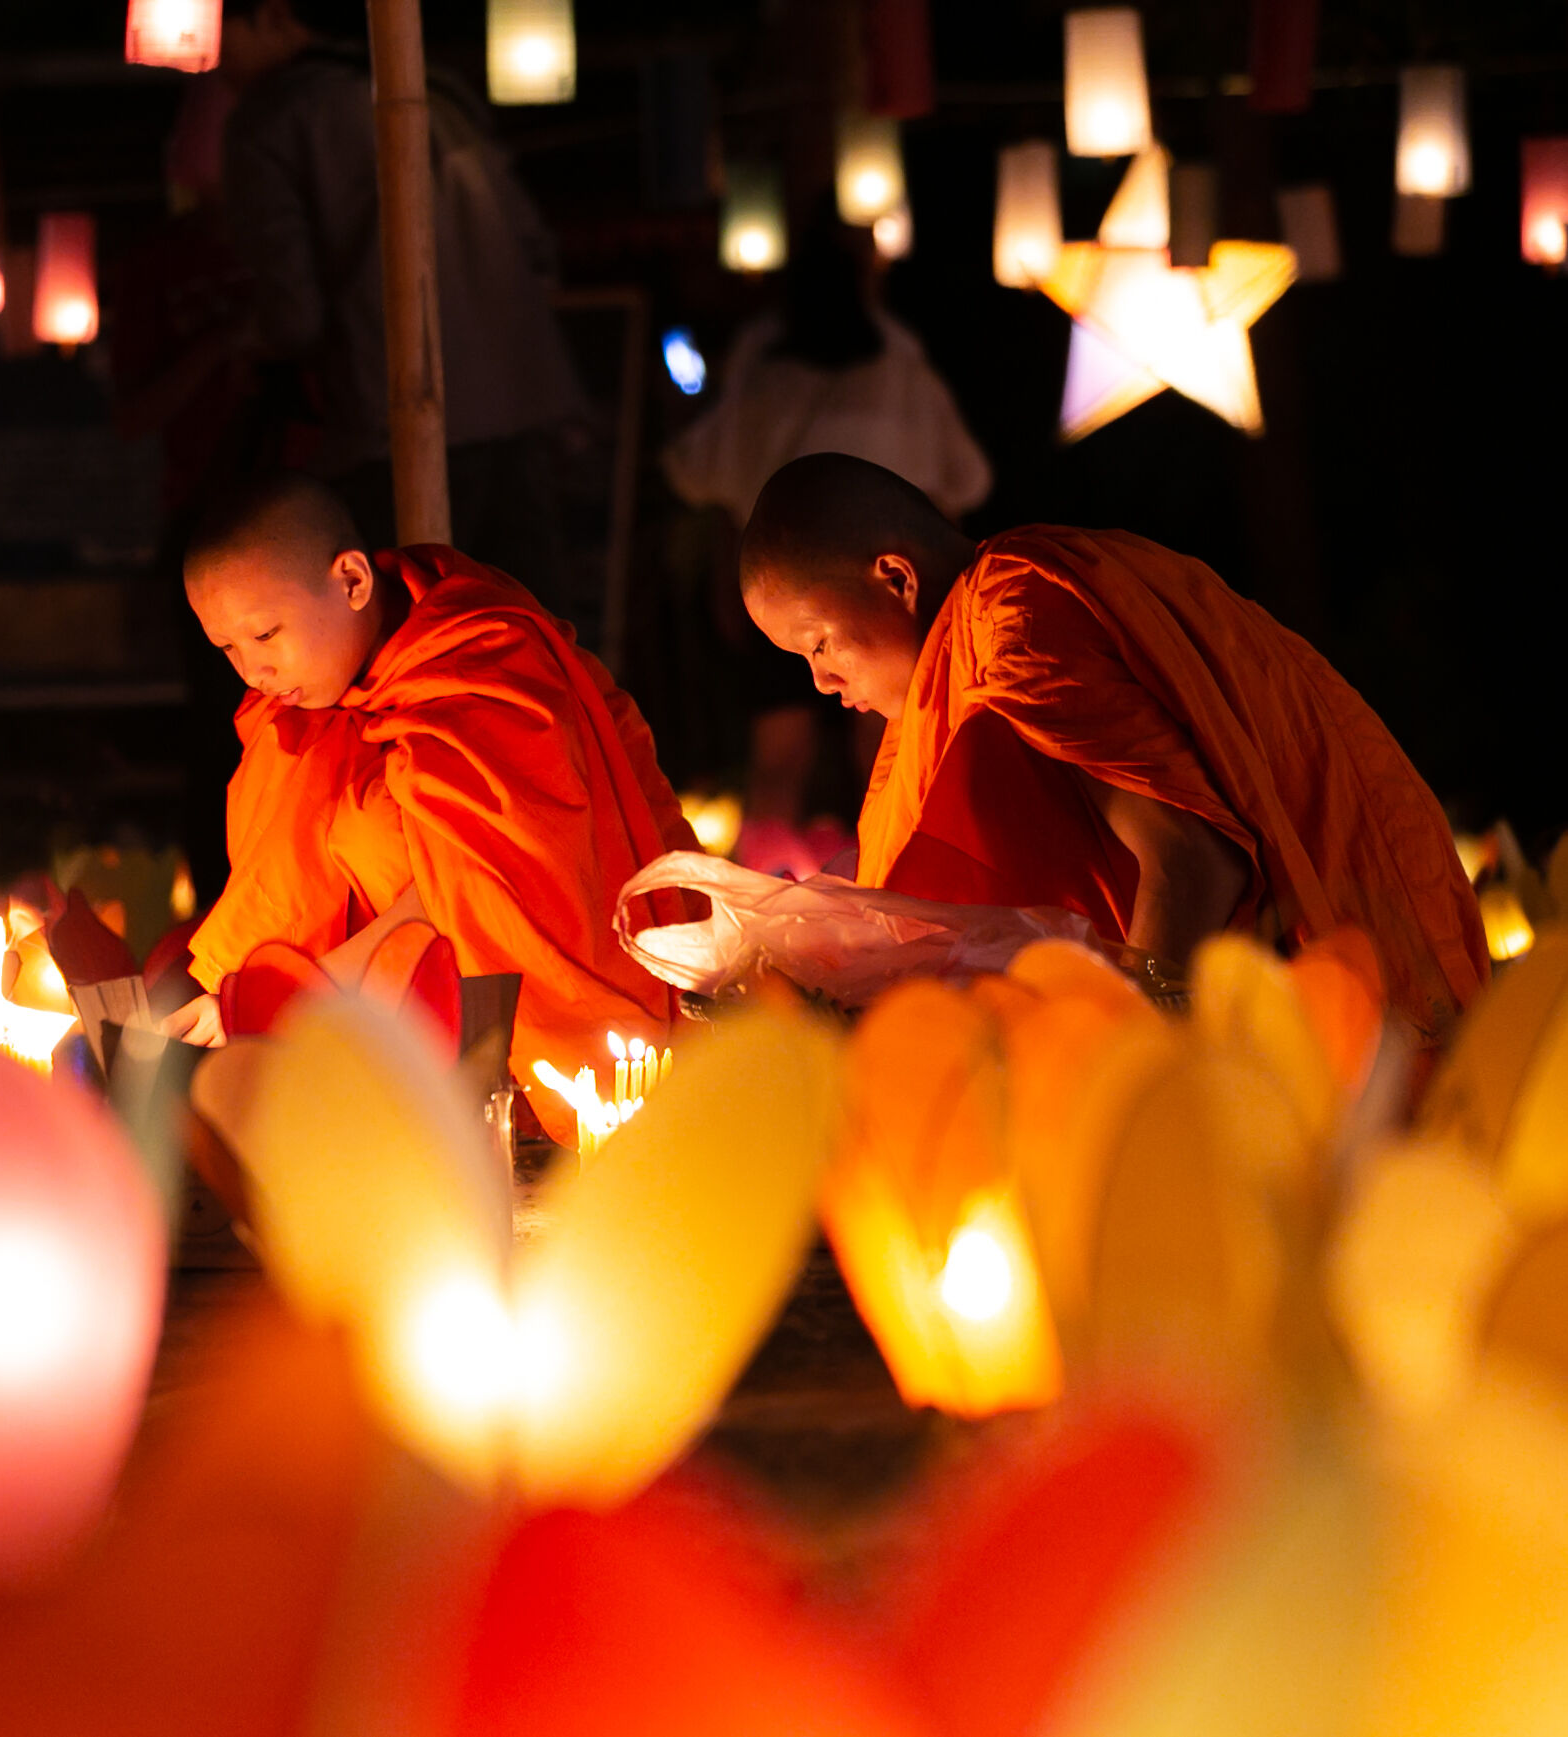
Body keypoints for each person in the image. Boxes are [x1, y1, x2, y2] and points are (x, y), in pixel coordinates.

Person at [739, 452, 1487, 1038]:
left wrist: (1120, 1079)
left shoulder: (1016, 616)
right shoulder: (950, 680)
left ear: (895, 578)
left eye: (819, 643)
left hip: (1344, 983)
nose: (822, 681)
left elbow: (1192, 864)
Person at [163, 474, 696, 1141]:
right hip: (383, 1038)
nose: (252, 673)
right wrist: (249, 1000)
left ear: (352, 580)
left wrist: (289, 994)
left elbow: (472, 894)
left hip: (528, 1056)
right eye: (227, 649)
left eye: (265, 634)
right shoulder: (308, 706)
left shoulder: (482, 667)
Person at [215, 0, 587, 593]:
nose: (203, 62)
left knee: (408, 636)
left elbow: (294, 316)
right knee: (530, 633)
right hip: (517, 410)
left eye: (213, 35)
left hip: (393, 423)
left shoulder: (271, 119)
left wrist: (239, 343)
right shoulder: (439, 92)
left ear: (274, 16)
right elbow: (535, 247)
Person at [659, 225, 992, 878]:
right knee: (881, 744)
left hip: (801, 594)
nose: (824, 676)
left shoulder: (768, 367)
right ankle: (815, 894)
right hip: (805, 594)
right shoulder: (894, 362)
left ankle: (888, 878)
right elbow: (948, 492)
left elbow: (720, 489)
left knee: (801, 753)